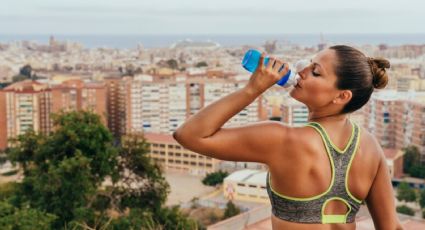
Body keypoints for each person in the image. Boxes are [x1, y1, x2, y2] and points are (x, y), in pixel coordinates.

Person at [173, 45, 403, 230]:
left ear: (342, 96)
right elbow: (390, 227)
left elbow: (189, 135)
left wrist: (252, 89)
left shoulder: (283, 140)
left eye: (315, 72)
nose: (301, 71)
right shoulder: (369, 146)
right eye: (309, 64)